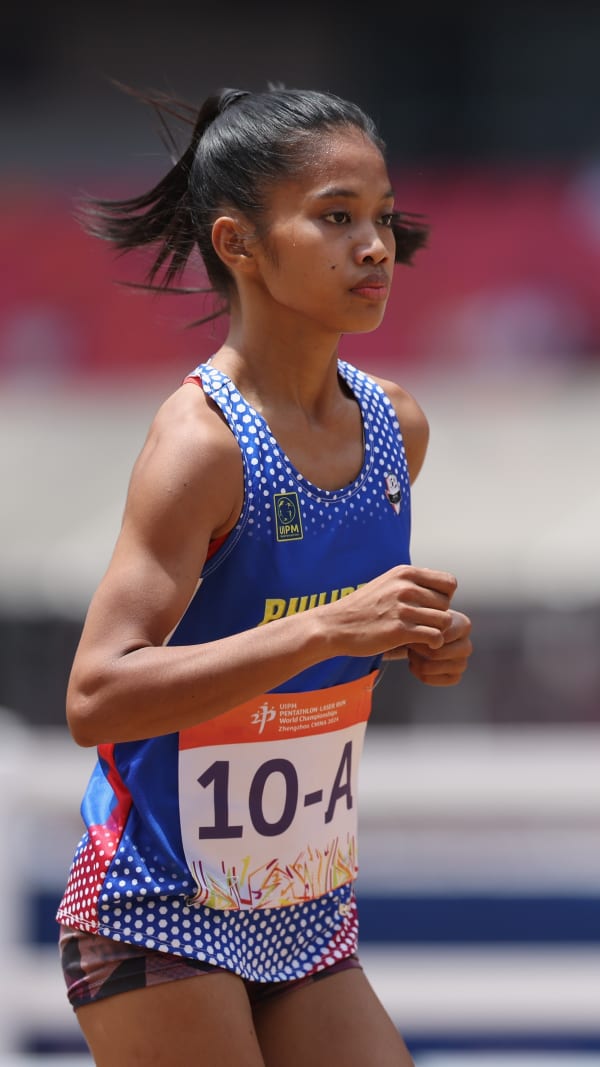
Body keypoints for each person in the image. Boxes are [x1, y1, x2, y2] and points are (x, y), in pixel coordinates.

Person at [56, 83, 473, 1067]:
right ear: (239, 243)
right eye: (336, 217)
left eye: (383, 218)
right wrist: (330, 629)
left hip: (303, 906)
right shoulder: (200, 446)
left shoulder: (396, 428)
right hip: (156, 902)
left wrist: (417, 641)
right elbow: (96, 692)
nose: (375, 247)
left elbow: (306, 630)